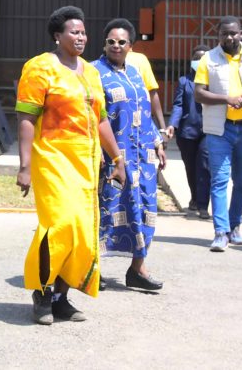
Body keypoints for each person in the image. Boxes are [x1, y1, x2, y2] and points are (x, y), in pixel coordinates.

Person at [15, 6, 127, 324]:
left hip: (86, 161)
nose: (80, 37)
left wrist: (117, 158)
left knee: (82, 230)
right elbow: (26, 118)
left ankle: (62, 296)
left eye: (82, 32)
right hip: (52, 156)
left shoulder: (90, 72)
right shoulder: (40, 68)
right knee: (60, 224)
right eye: (73, 32)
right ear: (57, 36)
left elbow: (101, 119)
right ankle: (42, 293)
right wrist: (24, 166)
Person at [95, 18, 166, 291]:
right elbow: (93, 117)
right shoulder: (94, 72)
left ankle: (138, 269)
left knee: (144, 209)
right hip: (113, 157)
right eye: (111, 41)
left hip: (142, 157)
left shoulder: (136, 73)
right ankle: (93, 268)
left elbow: (145, 113)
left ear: (130, 46)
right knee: (107, 211)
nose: (116, 46)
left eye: (122, 42)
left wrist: (158, 142)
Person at [194, 16, 242, 252]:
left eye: (234, 33)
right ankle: (220, 231)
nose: (229, 37)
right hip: (220, 128)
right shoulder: (209, 59)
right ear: (218, 36)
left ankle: (234, 226)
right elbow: (199, 93)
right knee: (218, 180)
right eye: (224, 34)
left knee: (241, 182)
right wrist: (225, 99)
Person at [166, 44, 210, 219]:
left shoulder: (214, 82)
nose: (199, 62)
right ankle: (194, 197)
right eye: (196, 58)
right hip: (187, 132)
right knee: (191, 168)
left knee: (205, 167)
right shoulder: (185, 81)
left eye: (203, 59)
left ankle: (203, 204)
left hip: (208, 130)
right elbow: (178, 105)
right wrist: (172, 124)